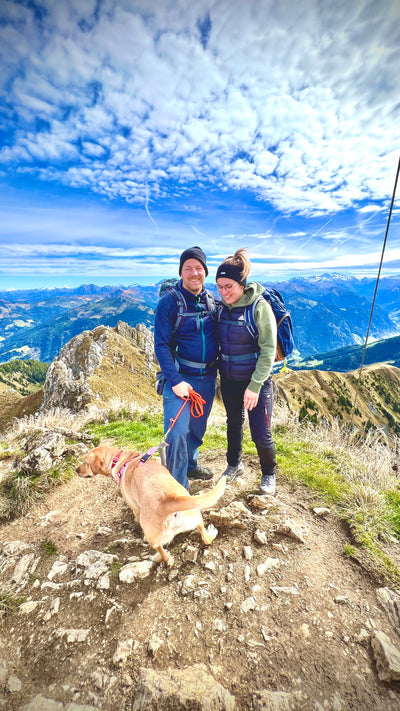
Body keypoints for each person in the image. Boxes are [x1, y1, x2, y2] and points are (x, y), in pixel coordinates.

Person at [154, 246, 218, 490]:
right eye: (188, 268)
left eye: (199, 268)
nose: (194, 273)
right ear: (181, 272)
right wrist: (176, 380)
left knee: (197, 429)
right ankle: (177, 487)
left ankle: (190, 465)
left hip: (208, 376)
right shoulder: (169, 303)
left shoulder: (211, 300)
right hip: (180, 378)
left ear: (205, 272)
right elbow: (161, 345)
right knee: (177, 432)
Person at [216, 249, 278, 495]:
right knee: (233, 424)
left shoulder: (259, 308)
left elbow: (269, 351)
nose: (224, 292)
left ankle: (269, 474)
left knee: (260, 433)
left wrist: (254, 386)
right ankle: (234, 465)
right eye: (220, 286)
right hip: (230, 378)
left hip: (257, 381)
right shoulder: (222, 307)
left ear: (241, 284)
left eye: (229, 285)